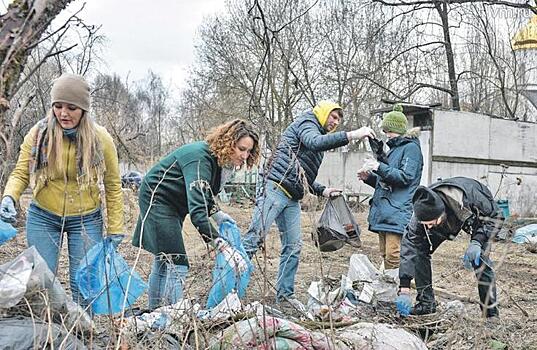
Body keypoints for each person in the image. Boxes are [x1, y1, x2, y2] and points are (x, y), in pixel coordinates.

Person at [0, 73, 125, 309]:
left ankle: (82, 335)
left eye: (71, 107)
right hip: (43, 215)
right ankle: (47, 333)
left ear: (84, 110)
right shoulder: (38, 134)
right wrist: (9, 196)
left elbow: (113, 185)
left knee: (84, 282)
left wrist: (116, 227)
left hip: (86, 218)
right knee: (41, 280)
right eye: (57, 106)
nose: (63, 114)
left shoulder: (101, 139)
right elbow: (20, 173)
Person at [242, 100, 375, 311]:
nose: (335, 122)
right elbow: (314, 142)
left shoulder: (317, 139)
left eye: (339, 120)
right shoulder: (307, 122)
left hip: (292, 196)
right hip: (275, 187)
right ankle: (230, 290)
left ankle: (284, 295)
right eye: (333, 116)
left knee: (294, 247)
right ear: (323, 112)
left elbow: (303, 175)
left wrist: (323, 190)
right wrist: (352, 134)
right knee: (254, 238)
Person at [131, 119, 260, 310]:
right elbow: (198, 213)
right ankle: (174, 316)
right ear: (228, 143)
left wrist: (218, 215)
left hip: (173, 203)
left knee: (164, 260)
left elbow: (204, 194)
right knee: (177, 262)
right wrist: (223, 247)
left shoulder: (217, 161)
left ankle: (155, 312)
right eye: (241, 149)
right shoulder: (201, 159)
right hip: (157, 199)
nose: (244, 155)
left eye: (249, 151)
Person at [395, 177, 504, 318]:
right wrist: (404, 288)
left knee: (480, 261)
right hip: (445, 221)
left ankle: (491, 314)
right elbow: (410, 246)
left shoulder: (473, 197)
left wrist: (477, 241)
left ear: (441, 213)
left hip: (477, 218)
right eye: (425, 223)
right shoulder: (422, 212)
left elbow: (496, 217)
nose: (428, 226)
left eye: (431, 222)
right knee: (419, 250)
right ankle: (426, 304)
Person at [357, 104, 423, 269]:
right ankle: (390, 287)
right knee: (385, 253)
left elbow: (405, 177)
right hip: (386, 211)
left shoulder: (411, 149)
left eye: (389, 130)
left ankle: (398, 289)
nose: (386, 134)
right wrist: (369, 178)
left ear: (399, 129)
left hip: (398, 211)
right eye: (385, 131)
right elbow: (388, 182)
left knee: (394, 255)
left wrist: (379, 167)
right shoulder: (394, 150)